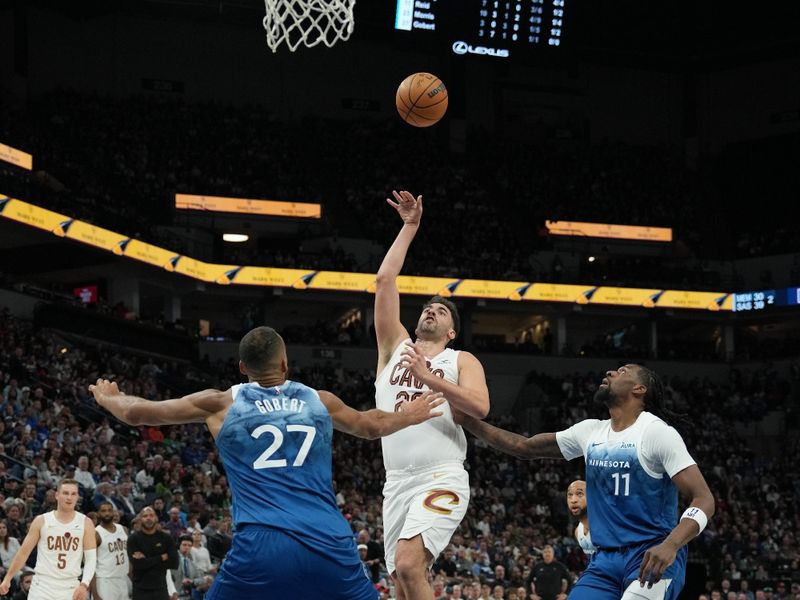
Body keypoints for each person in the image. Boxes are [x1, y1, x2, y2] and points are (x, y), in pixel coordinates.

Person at [89, 325, 447, 600]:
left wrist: (110, 399)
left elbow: (139, 413)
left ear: (242, 366)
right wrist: (410, 414)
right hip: (330, 541)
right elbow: (372, 426)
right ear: (285, 364)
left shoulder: (220, 404)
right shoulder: (318, 400)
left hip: (261, 544)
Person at [457, 364, 715, 600]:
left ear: (639, 389)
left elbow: (704, 499)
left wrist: (671, 544)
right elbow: (524, 447)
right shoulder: (590, 431)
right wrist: (466, 420)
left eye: (622, 371)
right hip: (604, 561)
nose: (611, 373)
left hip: (651, 555)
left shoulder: (656, 433)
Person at [374, 190, 490, 600]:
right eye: (427, 308)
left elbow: (480, 406)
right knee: (403, 580)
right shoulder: (393, 348)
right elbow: (385, 280)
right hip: (397, 481)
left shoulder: (462, 359)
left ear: (451, 331)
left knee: (408, 564)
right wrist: (409, 227)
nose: (430, 311)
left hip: (442, 473)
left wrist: (431, 378)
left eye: (440, 311)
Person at [0, 479, 97, 600]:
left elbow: (91, 558)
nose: (69, 497)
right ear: (57, 495)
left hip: (70, 586)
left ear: (77, 497)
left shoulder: (86, 523)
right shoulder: (41, 520)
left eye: (73, 494)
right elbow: (23, 552)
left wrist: (84, 584)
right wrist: (7, 578)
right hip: (42, 585)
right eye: (65, 493)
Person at [127, 506, 178, 600]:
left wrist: (146, 561)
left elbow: (174, 562)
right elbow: (138, 564)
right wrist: (162, 557)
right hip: (140, 590)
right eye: (145, 516)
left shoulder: (166, 538)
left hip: (161, 589)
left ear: (156, 518)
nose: (148, 518)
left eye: (151, 515)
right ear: (140, 519)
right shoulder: (133, 539)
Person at [91, 501, 130, 600]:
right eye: (103, 511)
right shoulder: (96, 534)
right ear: (98, 513)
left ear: (113, 512)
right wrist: (95, 593)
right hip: (105, 581)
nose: (107, 513)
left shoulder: (124, 530)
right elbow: (90, 566)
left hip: (122, 578)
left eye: (109, 510)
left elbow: (129, 556)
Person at [170, 535, 209, 600]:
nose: (187, 547)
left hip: (188, 596)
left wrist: (192, 581)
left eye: (189, 545)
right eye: (184, 545)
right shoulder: (172, 559)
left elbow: (201, 579)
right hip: (173, 595)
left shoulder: (192, 563)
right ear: (179, 545)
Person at [566, 480, 595, 558]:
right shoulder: (578, 532)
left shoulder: (607, 525)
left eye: (579, 494)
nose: (573, 500)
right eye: (570, 495)